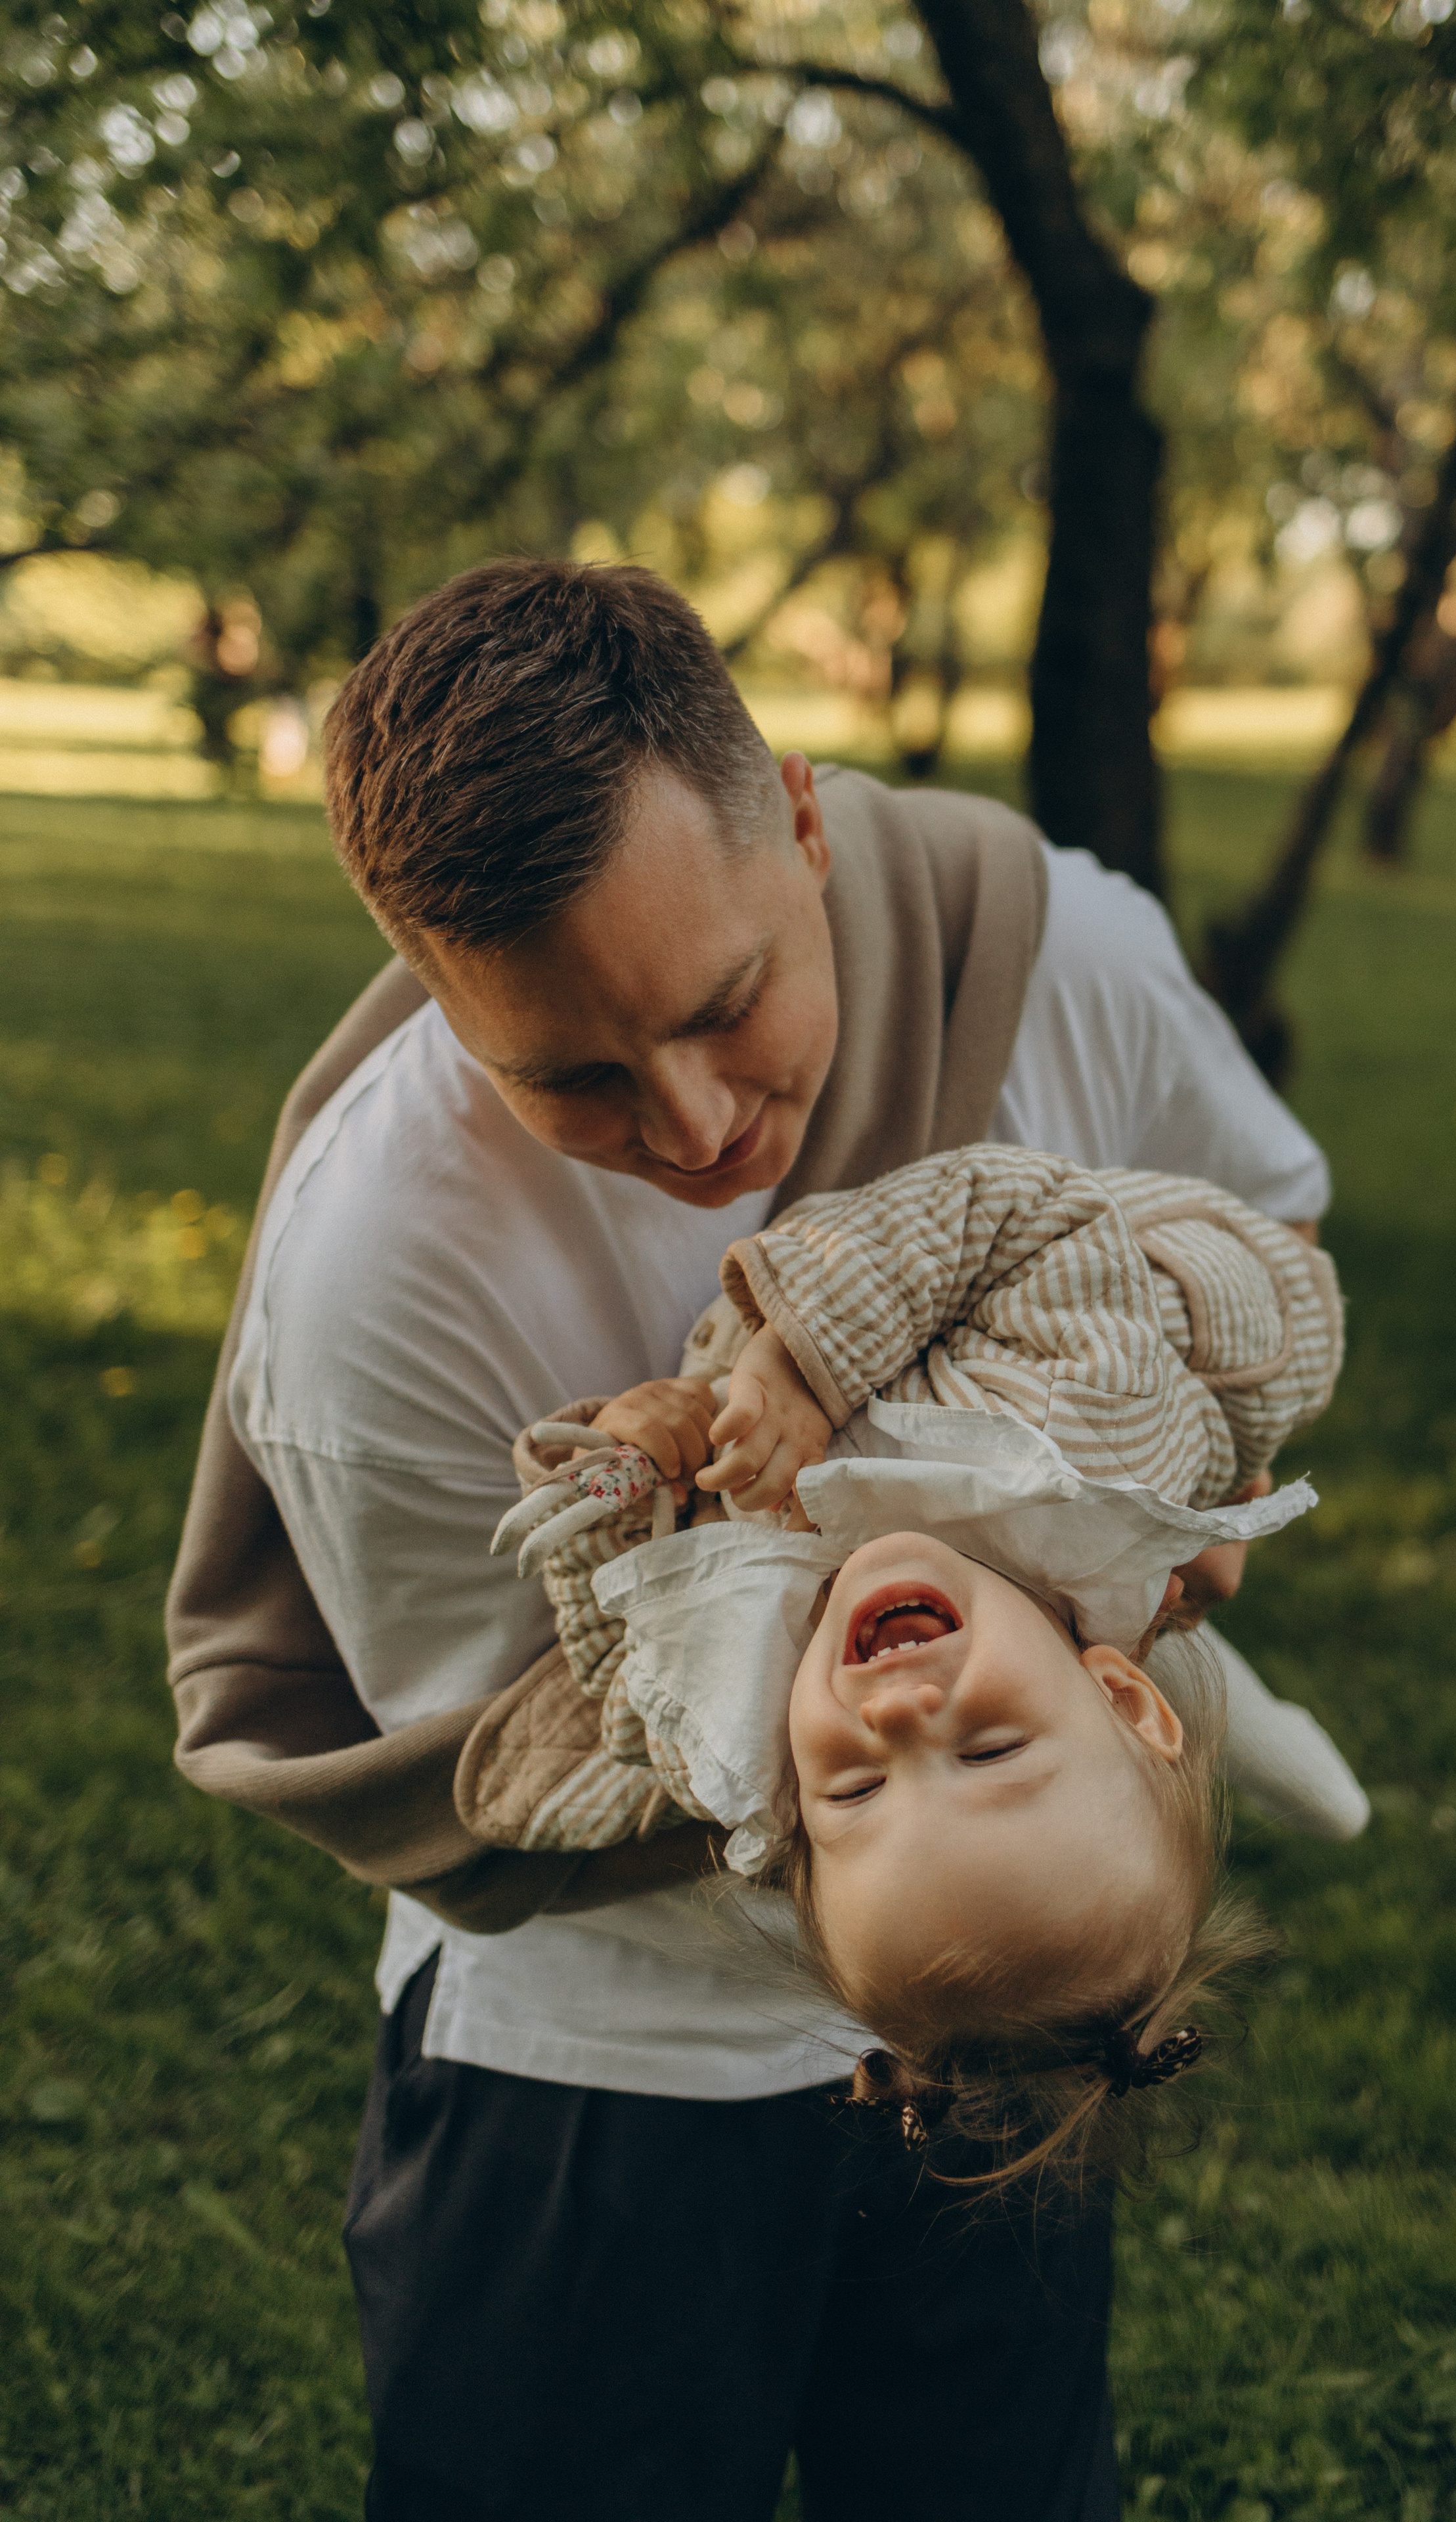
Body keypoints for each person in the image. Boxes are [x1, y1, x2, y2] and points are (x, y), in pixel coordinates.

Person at [166, 558, 1341, 2521]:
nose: (701, 1122)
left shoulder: (1055, 953)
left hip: (1014, 1990)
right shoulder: (375, 1285)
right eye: (574, 1077)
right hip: (604, 2071)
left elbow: (1260, 1232)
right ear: (443, 1009)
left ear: (801, 819)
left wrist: (1178, 1488)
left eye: (727, 1005)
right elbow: (552, 1750)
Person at [456, 1139, 1350, 2190]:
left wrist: (639, 1451)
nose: (899, 1717)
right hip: (1195, 1298)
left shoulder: (730, 1706)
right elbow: (1019, 1208)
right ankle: (1225, 1675)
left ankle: (1219, 1679)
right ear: (1116, 1693)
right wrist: (801, 1364)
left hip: (1076, 1593)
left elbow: (620, 1646)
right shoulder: (1067, 1418)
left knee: (1164, 1610)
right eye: (990, 1749)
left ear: (789, 1814)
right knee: (1196, 1516)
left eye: (857, 1788)